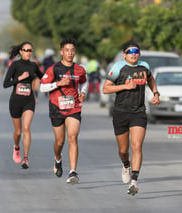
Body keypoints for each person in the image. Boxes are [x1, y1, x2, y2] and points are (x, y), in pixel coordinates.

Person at [102, 41, 160, 195]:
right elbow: (105, 88)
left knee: (137, 146)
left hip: (138, 112)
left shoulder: (144, 67)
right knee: (123, 150)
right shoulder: (117, 68)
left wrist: (155, 93)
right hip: (121, 112)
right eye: (130, 51)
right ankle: (126, 165)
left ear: (139, 54)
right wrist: (125, 86)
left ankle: (134, 182)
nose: (133, 53)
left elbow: (151, 80)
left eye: (136, 51)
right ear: (124, 55)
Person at [40, 37, 88, 184]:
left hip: (74, 107)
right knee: (59, 142)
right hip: (57, 107)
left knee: (72, 138)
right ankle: (58, 158)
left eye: (72, 50)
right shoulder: (54, 68)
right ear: (62, 52)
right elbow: (42, 87)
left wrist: (84, 93)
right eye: (67, 50)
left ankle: (73, 172)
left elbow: (84, 82)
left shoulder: (79, 69)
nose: (70, 53)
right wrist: (58, 83)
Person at [3, 41, 44, 169]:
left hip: (29, 101)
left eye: (30, 50)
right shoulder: (15, 65)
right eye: (26, 50)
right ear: (21, 52)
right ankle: (16, 147)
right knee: (18, 131)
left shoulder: (33, 66)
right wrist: (19, 79)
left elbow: (44, 78)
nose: (28, 52)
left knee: (26, 128)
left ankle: (26, 159)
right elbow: (5, 84)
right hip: (15, 101)